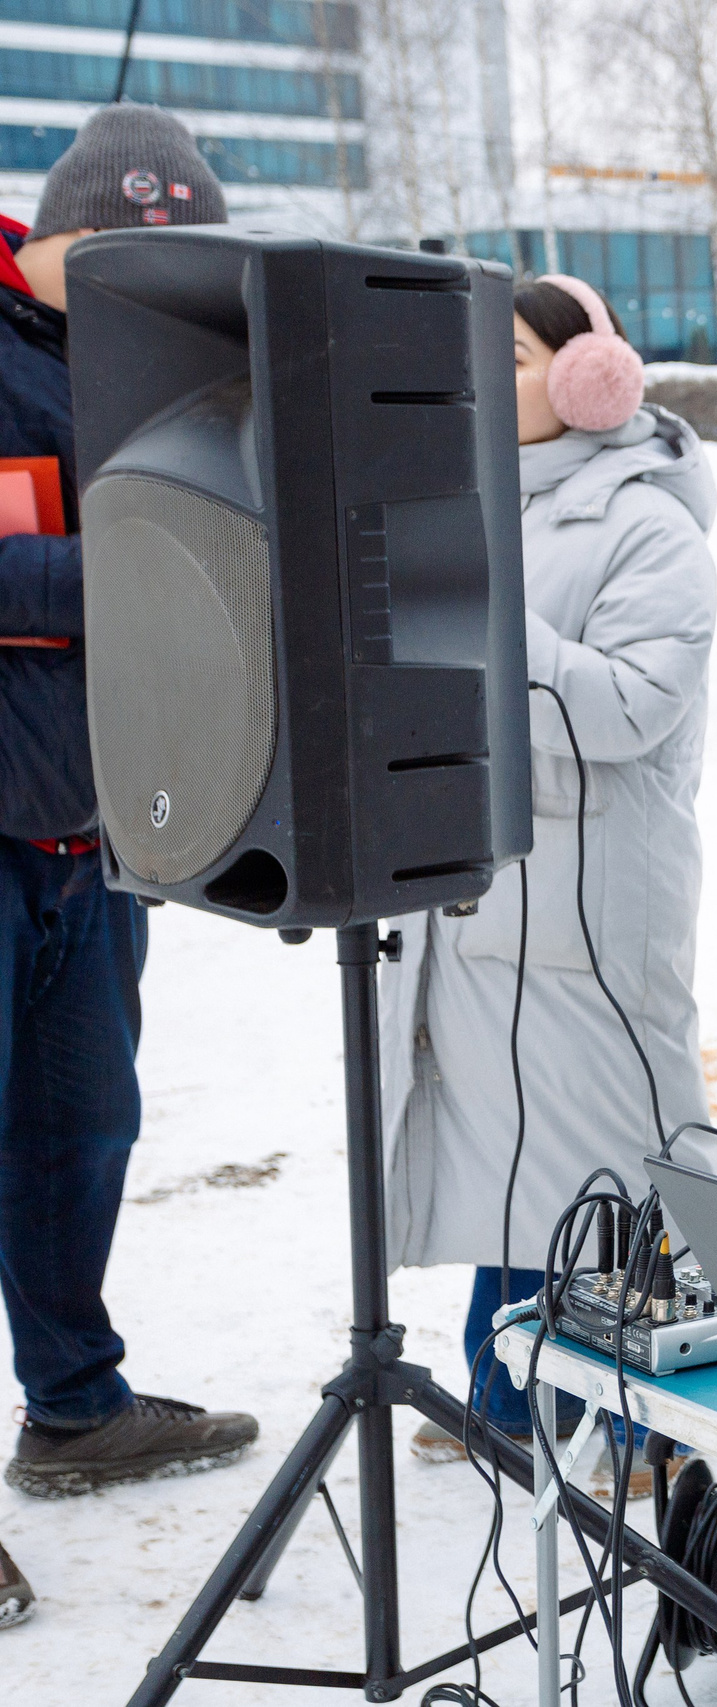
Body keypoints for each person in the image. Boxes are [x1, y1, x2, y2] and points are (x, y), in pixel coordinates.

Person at [378, 273, 717, 1494]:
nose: (487, 377)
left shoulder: (649, 525)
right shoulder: (462, 502)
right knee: (504, 1148)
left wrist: (488, 619)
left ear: (591, 376)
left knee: (610, 1164)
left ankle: (636, 1423)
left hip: (589, 907)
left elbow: (628, 708)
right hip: (470, 898)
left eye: (517, 354)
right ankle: (498, 1386)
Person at [2, 108, 259, 1536]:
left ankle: (76, 1403)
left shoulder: (161, 365)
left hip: (92, 837)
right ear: (59, 236)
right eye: (123, 261)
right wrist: (122, 574)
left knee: (79, 1129)